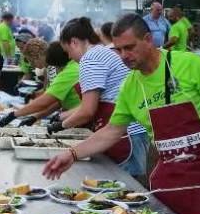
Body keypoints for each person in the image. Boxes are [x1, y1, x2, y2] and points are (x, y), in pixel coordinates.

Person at [43, 14, 200, 214]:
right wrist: (72, 154)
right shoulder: (130, 86)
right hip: (173, 181)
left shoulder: (188, 64)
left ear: (148, 39)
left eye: (129, 47)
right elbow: (111, 132)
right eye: (118, 50)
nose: (124, 56)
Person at [49, 17, 149, 178]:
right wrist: (60, 117)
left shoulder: (90, 60)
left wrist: (59, 126)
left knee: (122, 191)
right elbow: (89, 105)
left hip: (126, 135)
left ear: (74, 42)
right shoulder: (102, 52)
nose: (69, 57)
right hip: (134, 131)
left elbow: (87, 111)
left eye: (67, 51)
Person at [0, 41, 80, 127]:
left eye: (32, 61)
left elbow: (46, 101)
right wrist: (35, 117)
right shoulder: (64, 67)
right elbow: (57, 100)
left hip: (76, 117)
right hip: (71, 115)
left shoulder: (68, 72)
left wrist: (14, 115)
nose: (32, 66)